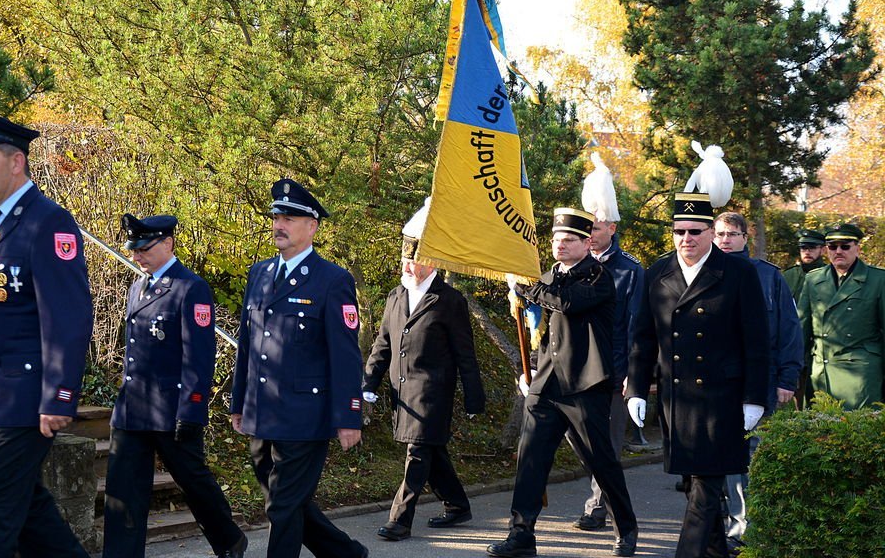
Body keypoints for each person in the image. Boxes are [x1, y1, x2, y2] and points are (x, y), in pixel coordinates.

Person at [0, 108, 94, 557]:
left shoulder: (47, 222)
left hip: (21, 399)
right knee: (30, 514)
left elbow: (68, 317)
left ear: (16, 162)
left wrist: (59, 395)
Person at [487, 208, 638, 558]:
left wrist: (524, 286)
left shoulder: (598, 277)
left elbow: (566, 303)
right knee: (530, 462)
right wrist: (532, 371)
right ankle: (521, 536)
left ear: (587, 242)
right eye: (556, 239)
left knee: (601, 462)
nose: (560, 245)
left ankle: (626, 529)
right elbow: (540, 328)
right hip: (546, 385)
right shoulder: (547, 275)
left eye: (569, 240)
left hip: (584, 386)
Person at [626, 188, 769, 558]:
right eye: (679, 231)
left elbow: (756, 339)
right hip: (678, 398)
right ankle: (716, 553)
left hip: (722, 396)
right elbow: (642, 337)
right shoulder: (658, 272)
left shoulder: (738, 272)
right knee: (693, 486)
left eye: (695, 231)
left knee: (706, 484)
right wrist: (637, 389)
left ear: (710, 232)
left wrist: (754, 398)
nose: (686, 239)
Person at [230, 178, 368, 558]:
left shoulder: (333, 280)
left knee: (283, 507)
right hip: (261, 409)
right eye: (277, 216)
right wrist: (238, 401)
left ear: (312, 227)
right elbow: (248, 343)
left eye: (290, 218)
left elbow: (345, 355)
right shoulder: (259, 274)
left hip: (305, 415)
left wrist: (349, 416)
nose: (280, 224)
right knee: (284, 499)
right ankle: (345, 553)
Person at [103, 214, 246, 558]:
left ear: (167, 244)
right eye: (133, 249)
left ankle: (228, 539)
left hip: (170, 410)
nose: (136, 255)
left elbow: (199, 355)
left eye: (144, 248)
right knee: (122, 493)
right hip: (132, 409)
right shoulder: (138, 287)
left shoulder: (190, 287)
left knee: (193, 482)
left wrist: (193, 407)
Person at [362, 200, 486, 542]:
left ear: (431, 263)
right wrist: (369, 380)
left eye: (412, 259)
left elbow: (465, 353)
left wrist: (475, 397)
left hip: (433, 393)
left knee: (417, 453)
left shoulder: (450, 301)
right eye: (404, 258)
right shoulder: (395, 296)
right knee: (431, 451)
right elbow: (382, 344)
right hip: (402, 394)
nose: (406, 264)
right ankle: (458, 505)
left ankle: (400, 520)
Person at [713, 211, 803, 550]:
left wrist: (787, 379)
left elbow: (789, 330)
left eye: (732, 234)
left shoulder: (768, 277)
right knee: (717, 459)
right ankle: (720, 525)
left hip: (760, 385)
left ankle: (745, 531)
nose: (725, 240)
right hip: (718, 387)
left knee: (752, 461)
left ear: (745, 238)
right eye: (720, 233)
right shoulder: (703, 272)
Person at [573, 153, 645, 532]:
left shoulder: (631, 271)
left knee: (608, 445)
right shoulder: (573, 266)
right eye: (586, 226)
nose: (590, 233)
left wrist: (630, 376)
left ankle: (600, 508)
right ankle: (605, 499)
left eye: (596, 226)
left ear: (612, 227)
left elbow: (636, 327)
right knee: (581, 442)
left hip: (613, 371)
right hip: (576, 370)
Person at [798, 223, 885, 410]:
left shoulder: (878, 280)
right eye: (832, 246)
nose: (838, 251)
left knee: (859, 433)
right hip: (821, 371)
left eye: (845, 246)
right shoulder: (813, 279)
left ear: (857, 248)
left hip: (860, 374)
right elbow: (802, 328)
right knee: (819, 433)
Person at [782, 229, 826, 408]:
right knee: (795, 399)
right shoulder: (788, 276)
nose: (807, 252)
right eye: (803, 248)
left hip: (817, 345)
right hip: (793, 343)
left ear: (822, 250)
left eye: (812, 247)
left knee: (818, 397)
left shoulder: (828, 276)